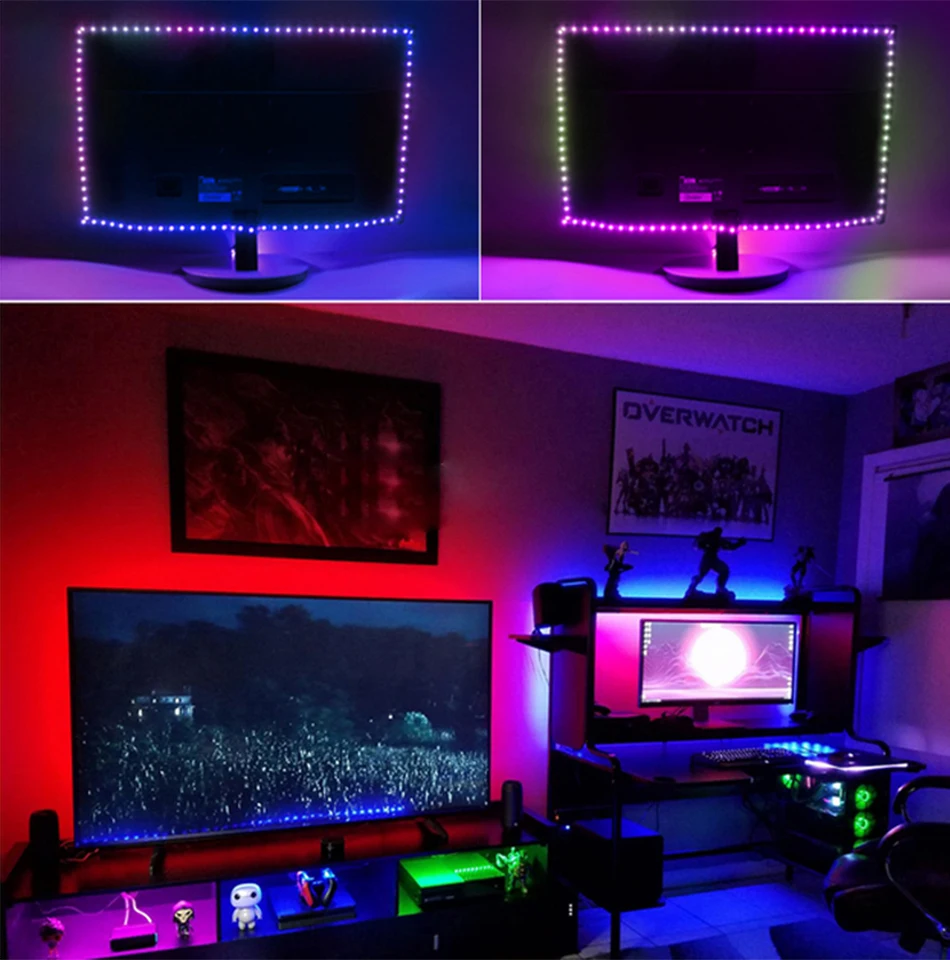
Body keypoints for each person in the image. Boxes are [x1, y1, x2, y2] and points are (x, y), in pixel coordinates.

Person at [685, 527, 746, 597]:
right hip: (709, 558)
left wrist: (739, 543)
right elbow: (696, 545)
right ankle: (692, 589)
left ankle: (720, 588)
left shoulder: (715, 539)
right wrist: (740, 543)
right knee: (703, 574)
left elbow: (730, 547)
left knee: (723, 571)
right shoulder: (711, 538)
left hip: (711, 558)